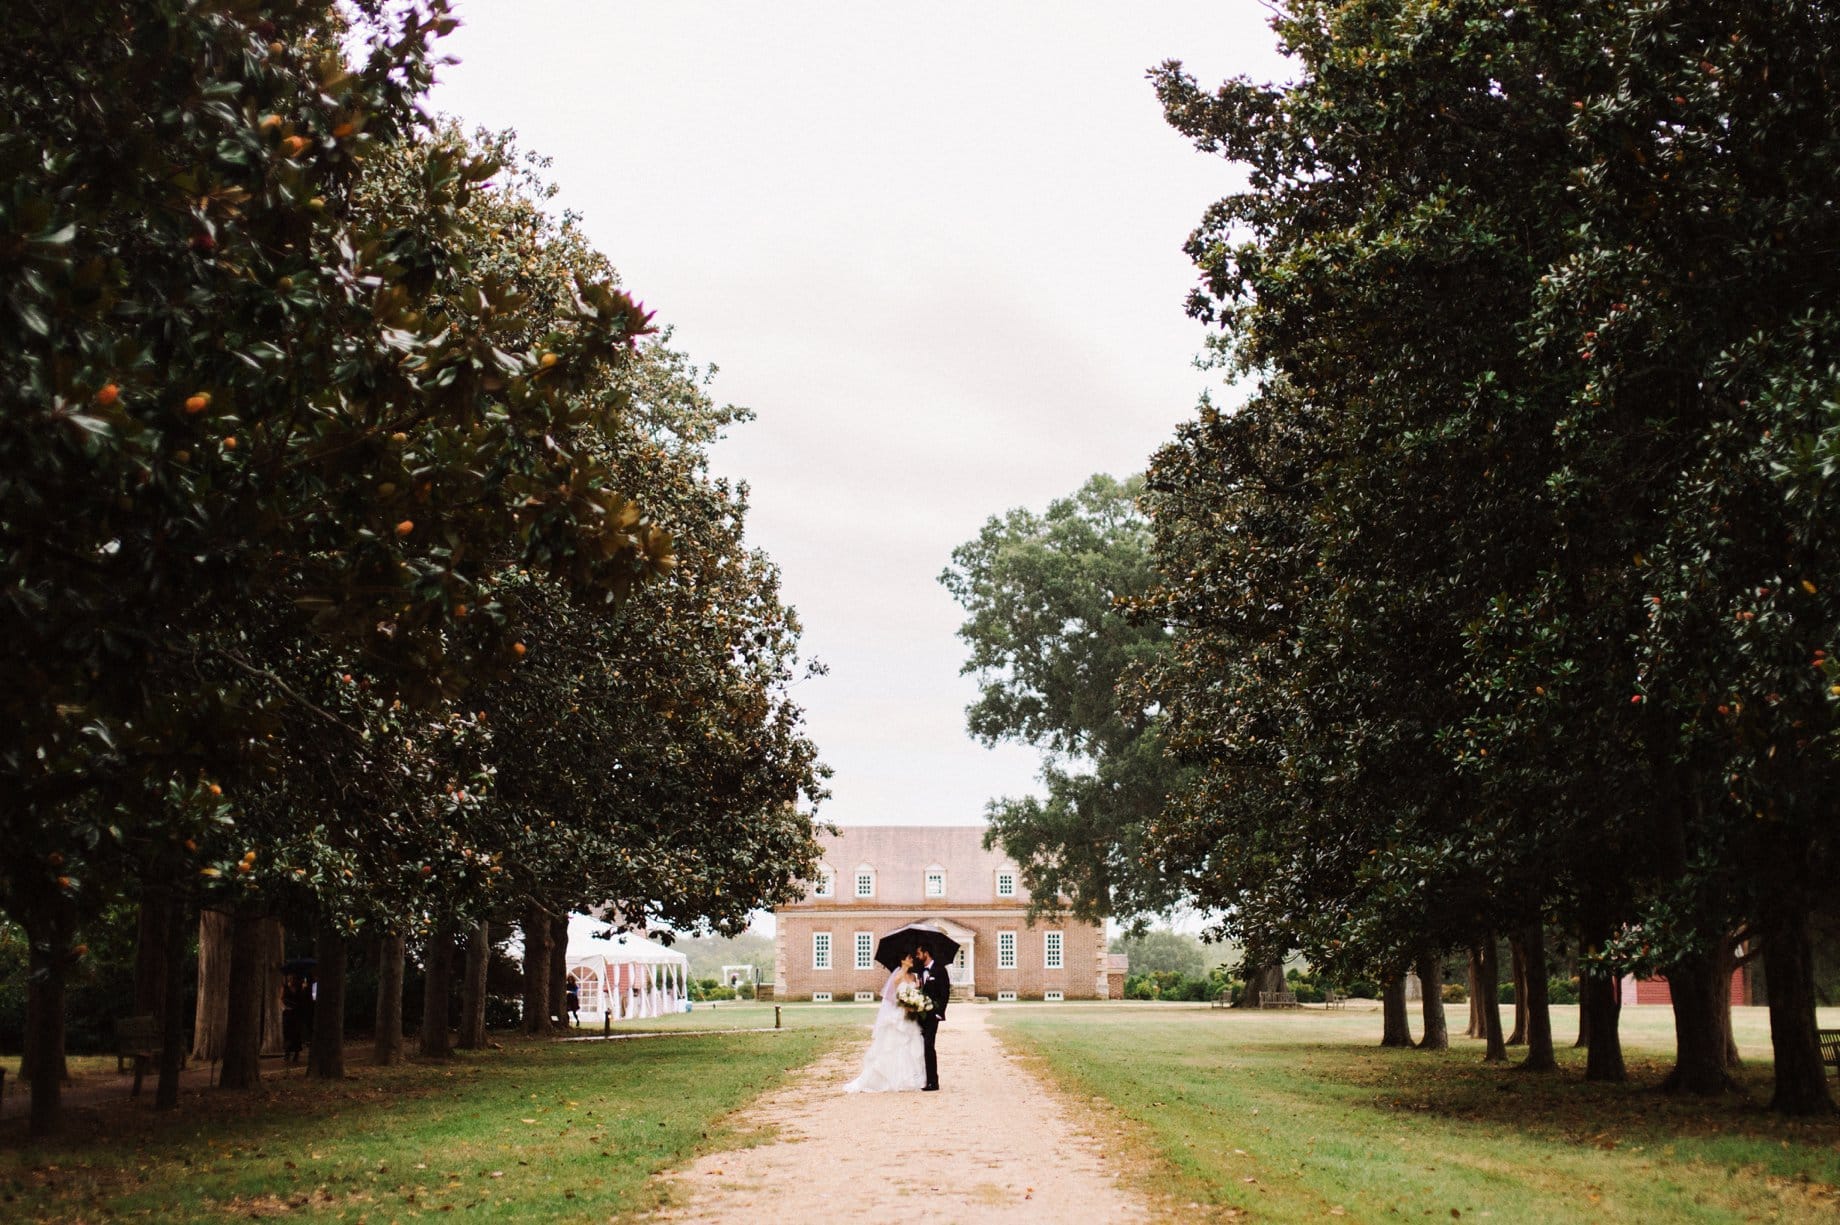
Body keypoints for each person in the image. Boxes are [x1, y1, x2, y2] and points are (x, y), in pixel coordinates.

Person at [841, 954, 926, 1093]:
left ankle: (910, 1079)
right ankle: (891, 1079)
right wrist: (907, 1005)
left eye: (912, 958)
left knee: (912, 1046)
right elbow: (895, 998)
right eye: (909, 958)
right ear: (902, 960)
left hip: (910, 1016)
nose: (912, 960)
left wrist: (916, 998)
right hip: (898, 1016)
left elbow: (915, 994)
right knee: (893, 1046)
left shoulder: (914, 977)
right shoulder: (897, 977)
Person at [912, 943, 950, 1091]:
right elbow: (922, 992)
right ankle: (924, 1079)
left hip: (933, 1015)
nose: (917, 956)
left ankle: (933, 1082)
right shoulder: (921, 971)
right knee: (921, 1047)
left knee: (929, 1046)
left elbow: (945, 993)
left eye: (919, 953)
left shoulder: (940, 970)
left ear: (926, 953)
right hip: (921, 1015)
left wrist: (939, 1012)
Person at [281, 972, 311, 1064]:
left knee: (297, 1034)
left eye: (294, 977)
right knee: (288, 1034)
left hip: (297, 1014)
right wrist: (284, 1007)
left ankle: (296, 1055)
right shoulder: (285, 987)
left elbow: (303, 1000)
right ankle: (287, 1054)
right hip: (287, 1013)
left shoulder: (300, 988)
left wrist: (304, 989)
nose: (292, 979)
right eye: (291, 977)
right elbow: (280, 999)